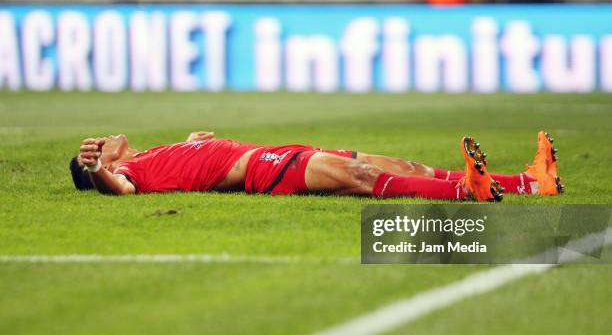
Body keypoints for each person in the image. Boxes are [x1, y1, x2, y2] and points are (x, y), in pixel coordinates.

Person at [70, 131, 564, 201]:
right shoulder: (127, 173)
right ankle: (468, 193)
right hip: (263, 168)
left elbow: (193, 153)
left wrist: (197, 139)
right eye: (97, 146)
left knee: (403, 163)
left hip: (279, 151)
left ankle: (532, 181)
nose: (107, 137)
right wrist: (94, 170)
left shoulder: (153, 152)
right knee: (363, 178)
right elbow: (119, 190)